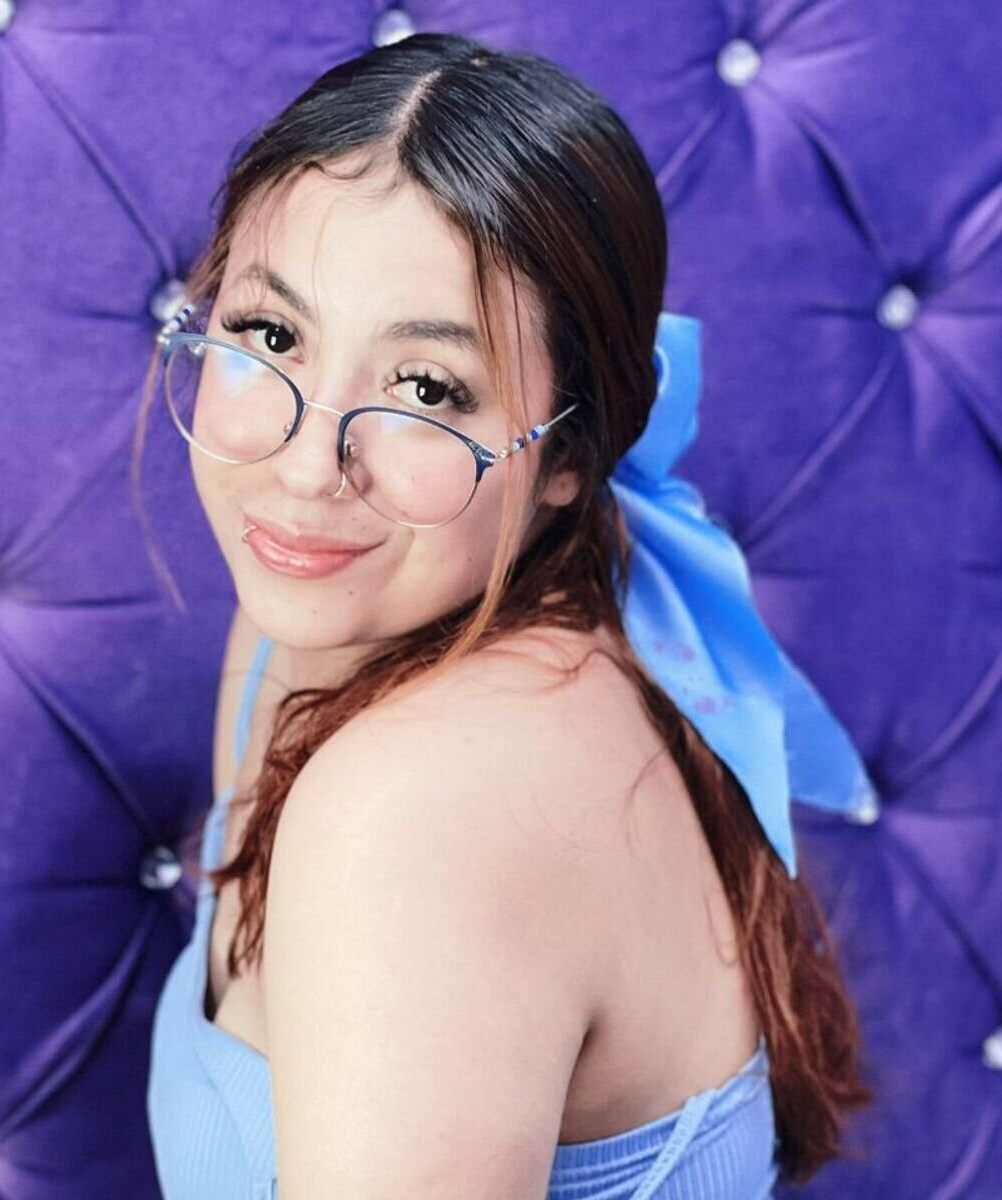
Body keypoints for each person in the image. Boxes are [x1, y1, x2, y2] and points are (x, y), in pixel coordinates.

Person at [137, 30, 871, 1199]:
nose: (306, 465)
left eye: (426, 390)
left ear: (569, 455)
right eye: (271, 336)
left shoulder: (417, 807)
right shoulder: (304, 624)